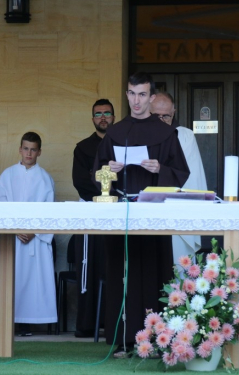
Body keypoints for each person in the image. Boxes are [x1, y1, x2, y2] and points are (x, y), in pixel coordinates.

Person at [94, 72, 190, 357]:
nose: (137, 101)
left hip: (153, 215)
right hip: (120, 215)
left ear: (151, 97)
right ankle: (120, 341)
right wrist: (109, 169)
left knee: (153, 273)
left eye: (142, 95)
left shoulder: (165, 133)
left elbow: (181, 173)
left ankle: (157, 341)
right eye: (132, 94)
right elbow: (96, 174)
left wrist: (159, 169)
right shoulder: (115, 132)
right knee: (120, 274)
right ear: (127, 95)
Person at [0, 132, 57, 335]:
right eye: (26, 148)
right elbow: (0, 206)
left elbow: (50, 211)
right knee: (11, 279)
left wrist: (34, 231)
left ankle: (28, 323)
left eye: (33, 149)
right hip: (11, 238)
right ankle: (6, 321)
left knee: (33, 283)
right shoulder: (7, 175)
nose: (29, 153)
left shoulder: (45, 178)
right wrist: (15, 229)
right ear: (20, 149)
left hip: (35, 240)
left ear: (39, 151)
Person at [71, 99, 115, 337]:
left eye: (107, 113)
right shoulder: (83, 147)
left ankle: (113, 323)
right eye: (98, 114)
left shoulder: (121, 145)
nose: (103, 117)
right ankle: (88, 324)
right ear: (93, 119)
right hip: (90, 213)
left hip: (116, 215)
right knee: (89, 267)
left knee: (113, 266)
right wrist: (101, 196)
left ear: (114, 117)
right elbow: (80, 181)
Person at [150, 92, 207, 262]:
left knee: (178, 265)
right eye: (156, 116)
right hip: (147, 210)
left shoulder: (185, 136)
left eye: (165, 116)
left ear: (174, 112)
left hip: (177, 208)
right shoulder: (139, 135)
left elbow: (192, 176)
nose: (160, 121)